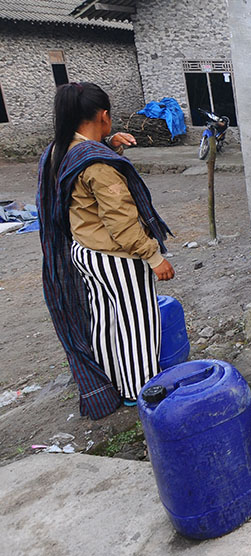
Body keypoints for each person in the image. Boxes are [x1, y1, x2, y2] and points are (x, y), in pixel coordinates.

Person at [37, 82, 174, 419]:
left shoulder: (61, 149)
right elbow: (122, 223)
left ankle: (112, 384)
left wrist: (110, 145)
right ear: (103, 116)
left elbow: (85, 179)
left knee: (105, 321)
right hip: (115, 257)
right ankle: (143, 391)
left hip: (84, 252)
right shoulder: (98, 164)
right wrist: (154, 257)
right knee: (138, 323)